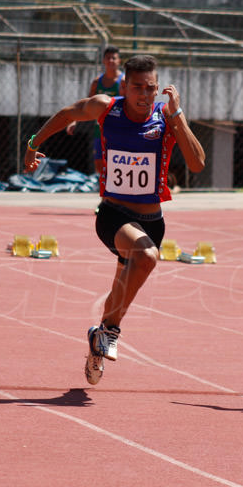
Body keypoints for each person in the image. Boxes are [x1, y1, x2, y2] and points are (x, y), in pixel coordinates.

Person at [24, 54, 205, 385]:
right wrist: (33, 143)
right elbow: (66, 113)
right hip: (113, 214)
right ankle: (112, 330)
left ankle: (99, 337)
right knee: (147, 256)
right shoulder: (106, 107)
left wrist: (178, 116)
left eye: (151, 88)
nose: (144, 95)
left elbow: (197, 164)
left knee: (120, 289)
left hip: (152, 220)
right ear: (125, 86)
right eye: (138, 88)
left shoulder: (166, 116)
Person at [65, 45, 122, 172]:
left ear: (119, 61)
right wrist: (75, 120)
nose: (111, 61)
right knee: (99, 161)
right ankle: (103, 186)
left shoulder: (123, 81)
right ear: (103, 61)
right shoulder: (97, 82)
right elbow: (88, 104)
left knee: (117, 159)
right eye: (108, 58)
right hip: (100, 128)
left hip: (117, 128)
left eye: (114, 58)